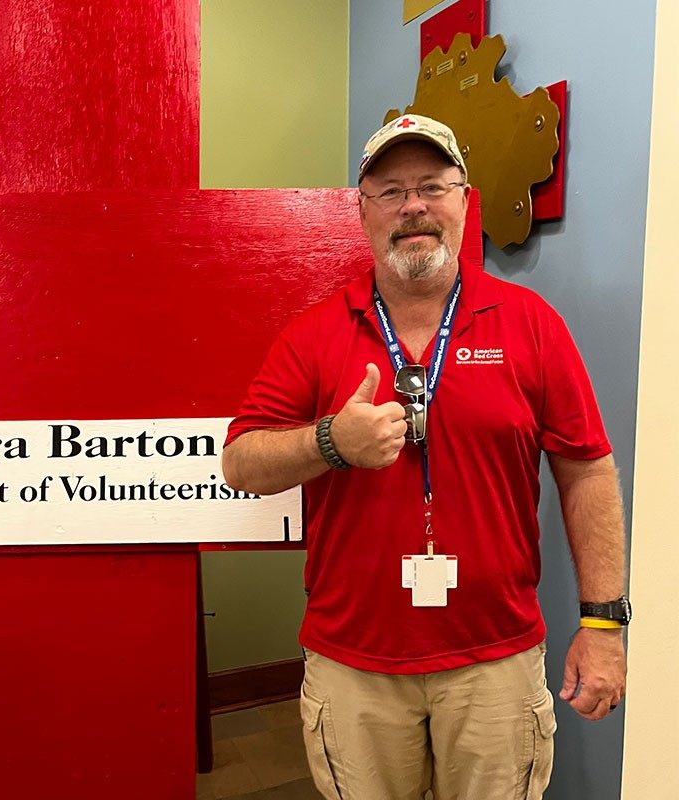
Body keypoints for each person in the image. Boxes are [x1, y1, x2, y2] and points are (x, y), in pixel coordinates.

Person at [221, 114, 629, 800]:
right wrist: (330, 443)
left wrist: (604, 622)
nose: (414, 206)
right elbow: (241, 462)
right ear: (363, 212)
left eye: (433, 186)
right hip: (354, 665)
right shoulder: (314, 334)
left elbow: (587, 470)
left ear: (465, 202)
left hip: (494, 661)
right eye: (391, 191)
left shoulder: (531, 323)